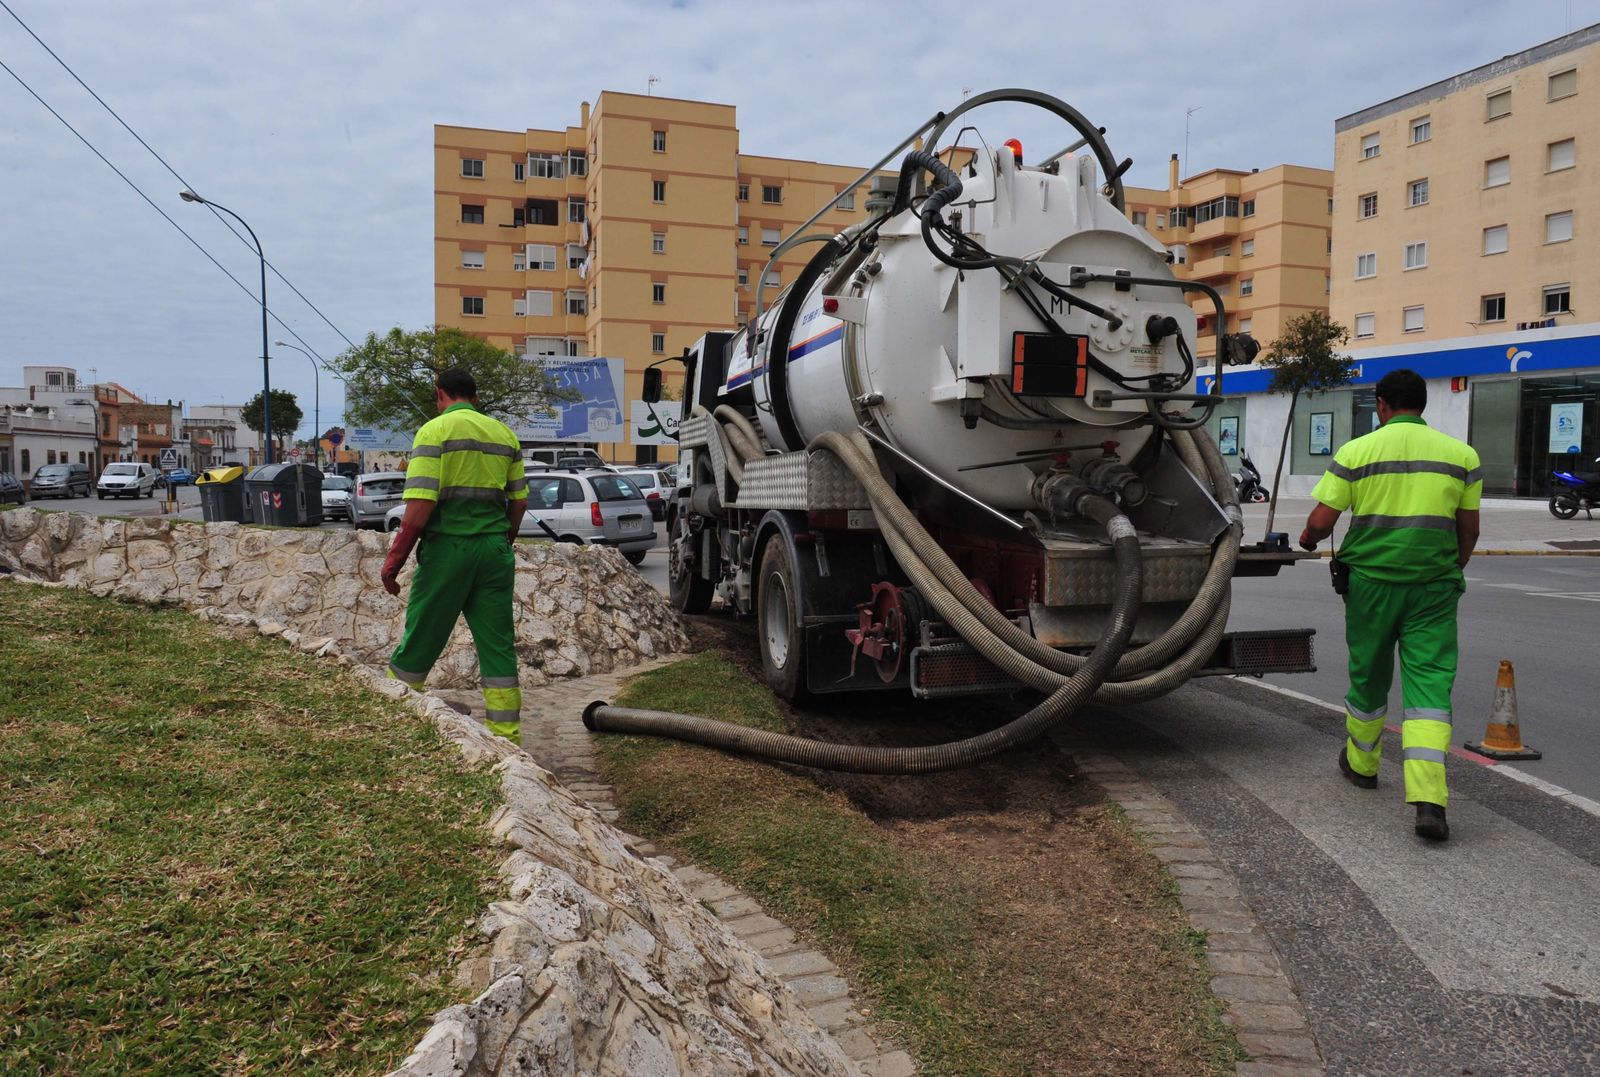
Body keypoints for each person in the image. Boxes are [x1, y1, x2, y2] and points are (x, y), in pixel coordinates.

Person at [1299, 369, 1481, 841]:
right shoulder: (1461, 456)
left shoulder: (1357, 451)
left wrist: (1307, 538)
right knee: (1430, 690)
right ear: (1422, 405)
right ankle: (1430, 801)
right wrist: (1452, 567)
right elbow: (1469, 530)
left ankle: (1361, 765)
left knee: (1369, 673)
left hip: (1372, 586)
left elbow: (1322, 520)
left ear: (1381, 404)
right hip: (1434, 589)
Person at [381, 368, 528, 744]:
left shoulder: (433, 432)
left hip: (448, 551)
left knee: (420, 641)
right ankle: (507, 738)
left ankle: (396, 720)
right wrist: (503, 540)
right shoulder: (504, 434)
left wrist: (394, 561)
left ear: (439, 395)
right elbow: (520, 500)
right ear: (475, 398)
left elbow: (419, 505)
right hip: (495, 552)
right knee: (498, 647)